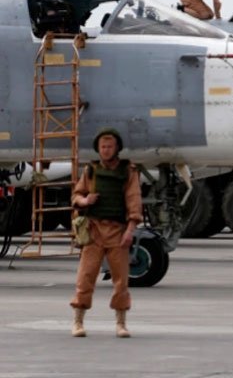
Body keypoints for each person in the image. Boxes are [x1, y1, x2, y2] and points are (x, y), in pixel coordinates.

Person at [69, 128, 143, 338]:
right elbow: (76, 195)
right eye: (103, 147)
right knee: (85, 277)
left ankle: (121, 324)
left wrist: (130, 230)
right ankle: (78, 321)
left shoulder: (128, 171)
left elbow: (134, 201)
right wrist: (85, 201)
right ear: (98, 149)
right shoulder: (90, 170)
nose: (106, 150)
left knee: (121, 281)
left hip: (118, 232)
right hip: (93, 231)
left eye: (110, 146)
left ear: (117, 148)